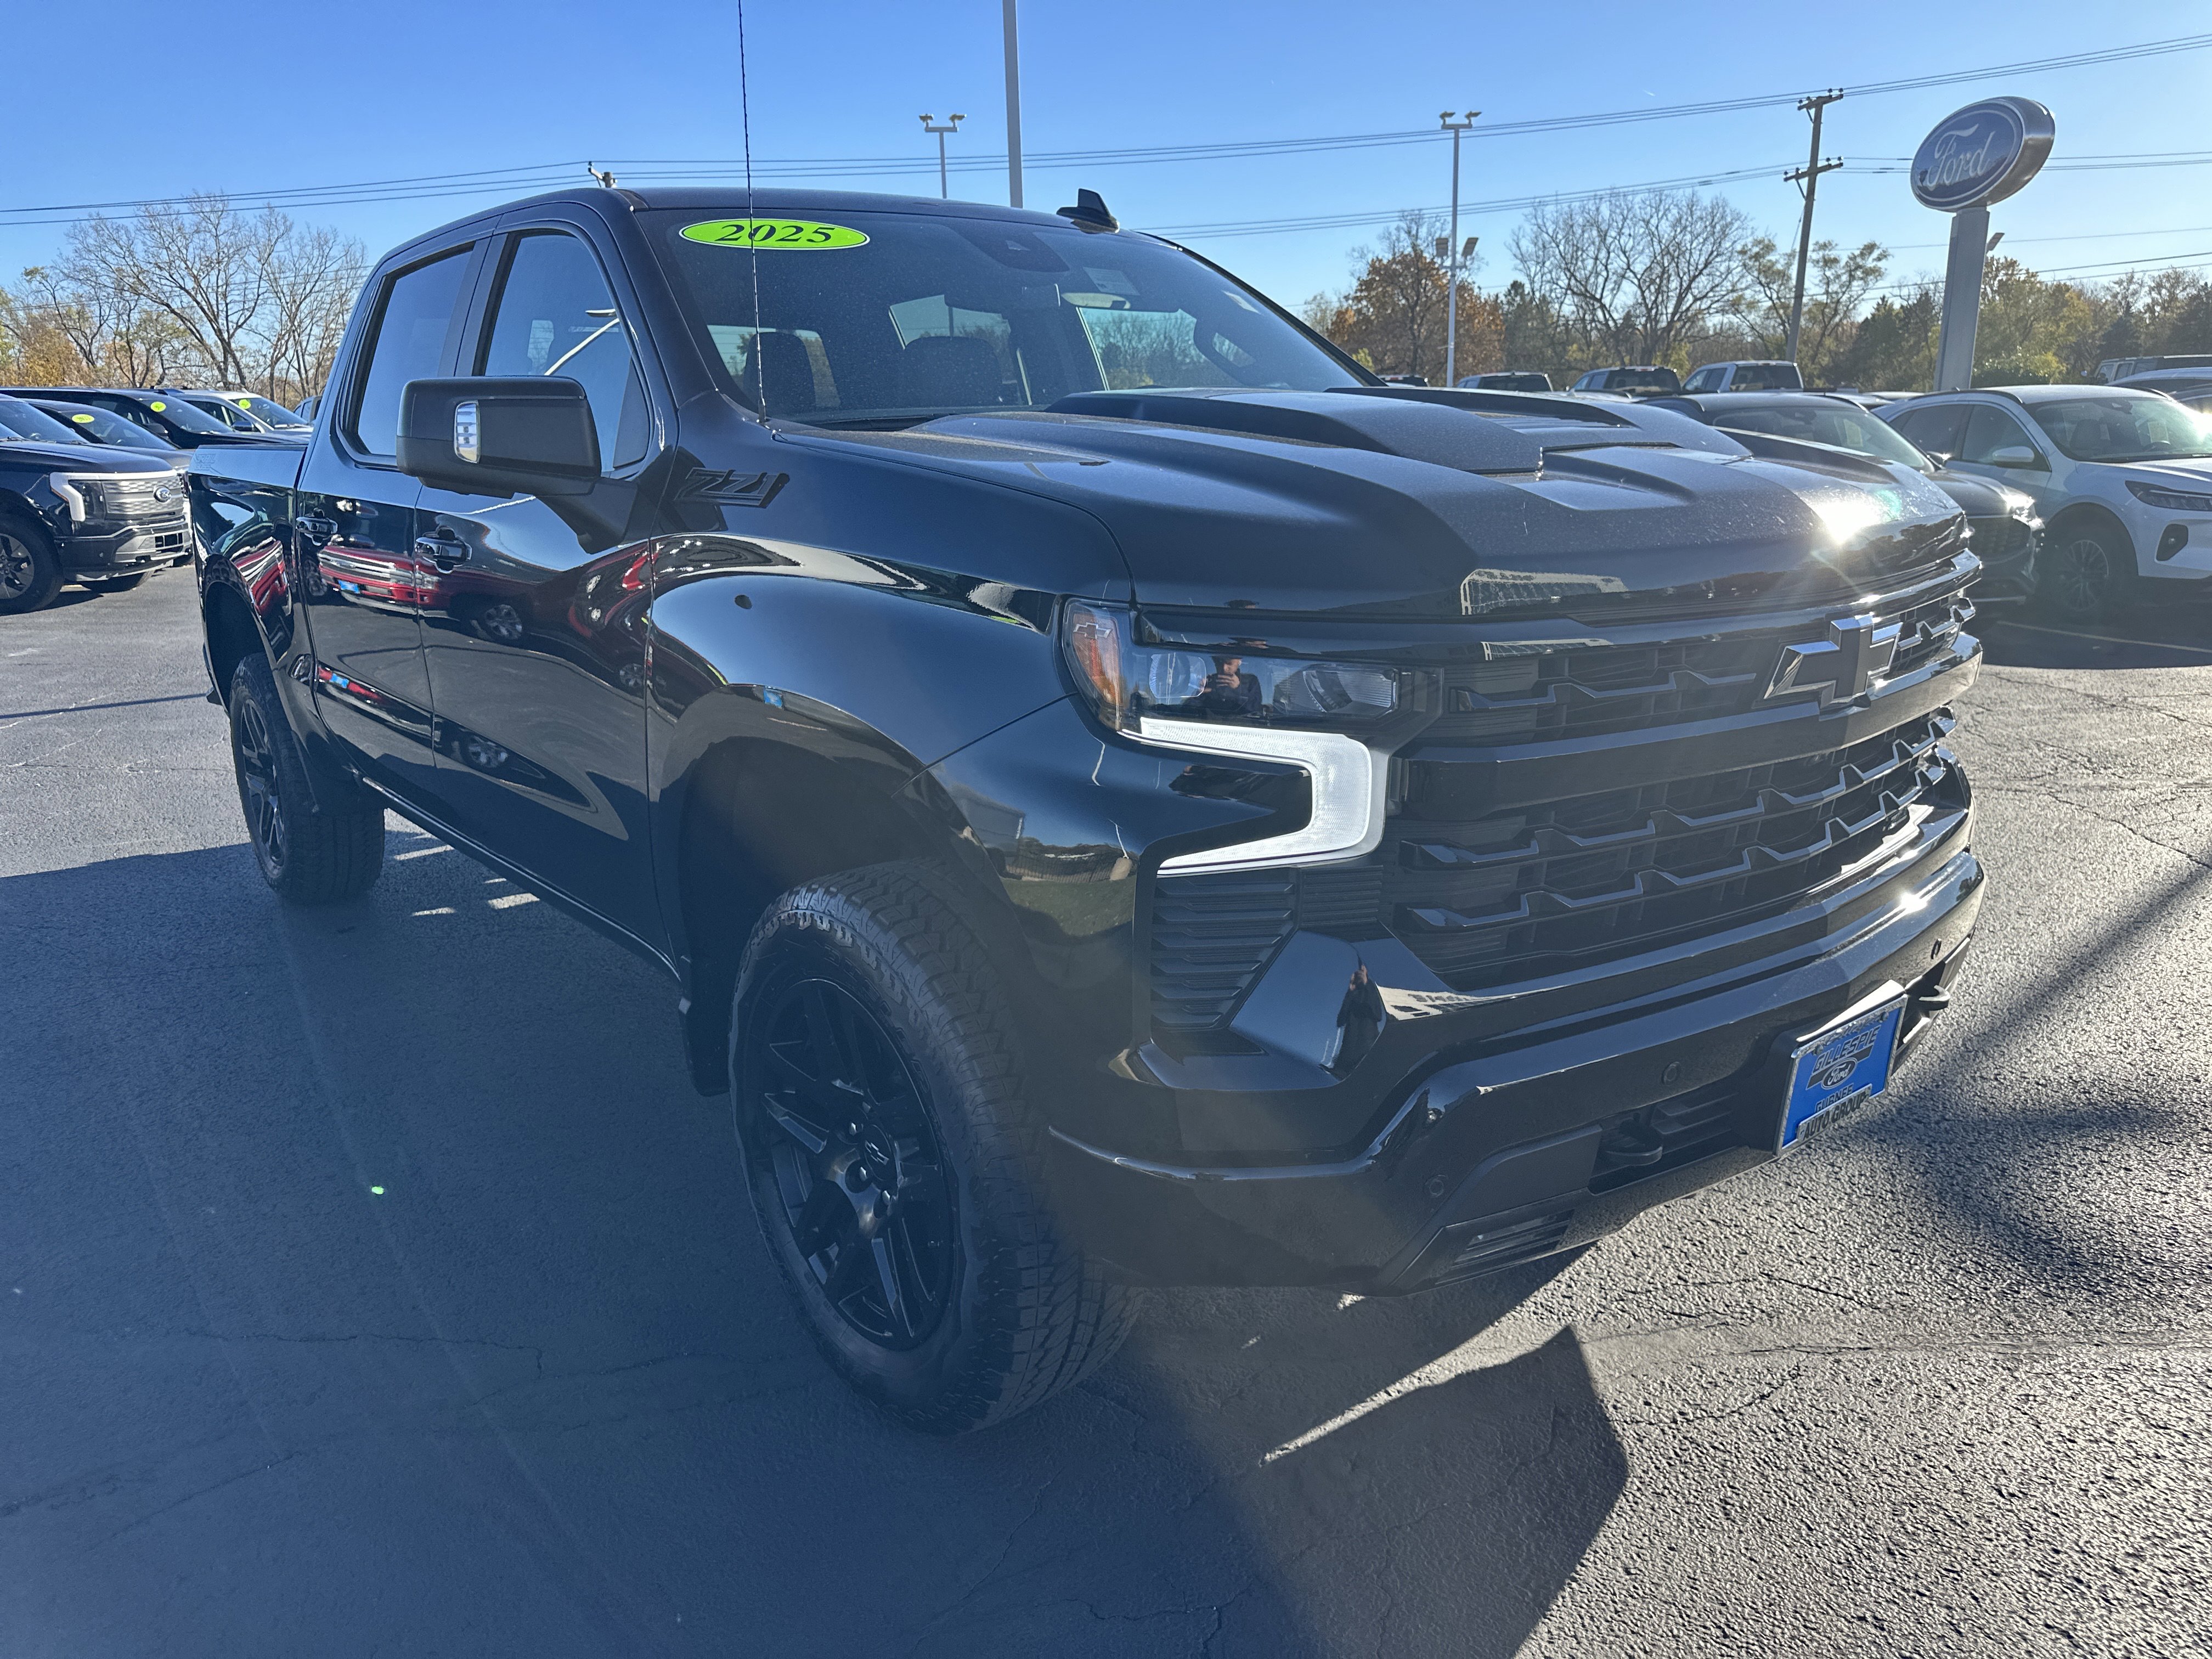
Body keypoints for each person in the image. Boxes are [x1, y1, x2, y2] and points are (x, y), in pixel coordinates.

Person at [1331, 963, 1385, 1076]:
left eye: (1363, 968)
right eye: (1358, 970)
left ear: (1367, 970)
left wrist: (1367, 984)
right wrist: (1351, 990)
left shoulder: (1373, 989)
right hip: (1347, 1051)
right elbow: (1340, 1020)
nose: (1360, 972)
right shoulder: (1352, 992)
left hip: (1365, 1052)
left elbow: (1378, 1015)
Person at [1189, 653, 1263, 718]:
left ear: (1239, 662)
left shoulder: (1250, 681)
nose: (1224, 668)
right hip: (1209, 725)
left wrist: (1238, 689)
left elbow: (1255, 709)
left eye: (1229, 663)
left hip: (1243, 725)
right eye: (1219, 663)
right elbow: (1189, 710)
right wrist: (1200, 693)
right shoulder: (1210, 681)